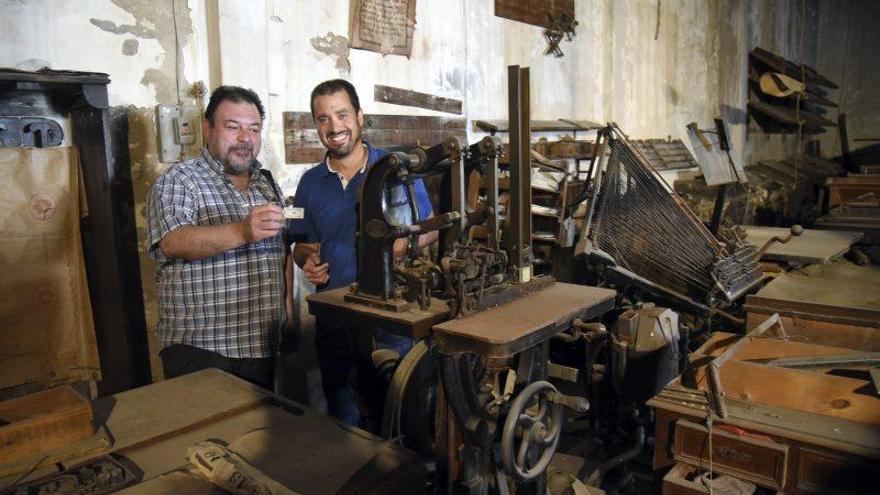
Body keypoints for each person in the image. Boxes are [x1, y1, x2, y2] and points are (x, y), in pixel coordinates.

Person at [291, 79, 436, 425]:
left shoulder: (395, 169)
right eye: (323, 118)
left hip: (393, 316)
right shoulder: (309, 183)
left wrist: (403, 244)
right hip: (335, 316)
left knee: (399, 413)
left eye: (342, 114)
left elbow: (429, 226)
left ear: (359, 116)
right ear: (316, 126)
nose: (334, 126)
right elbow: (301, 244)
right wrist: (308, 261)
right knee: (343, 416)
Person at [146, 85, 291, 391]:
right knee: (208, 438)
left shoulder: (266, 183)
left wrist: (287, 311)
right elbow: (173, 241)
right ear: (207, 128)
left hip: (259, 344)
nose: (245, 138)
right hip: (203, 347)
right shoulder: (181, 179)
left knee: (254, 437)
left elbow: (281, 251)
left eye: (253, 129)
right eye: (233, 127)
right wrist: (242, 230)